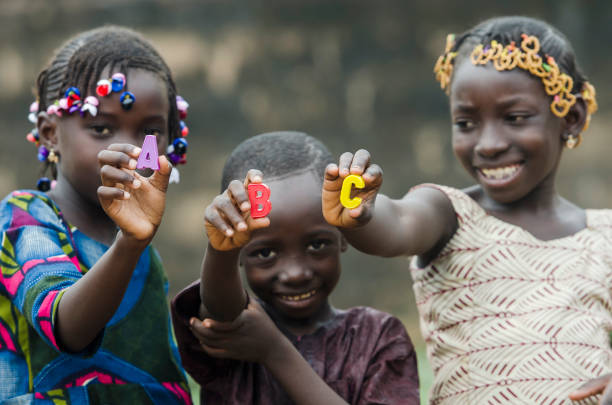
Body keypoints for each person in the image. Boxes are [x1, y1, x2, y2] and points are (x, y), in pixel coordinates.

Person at [321, 16, 610, 404]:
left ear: (571, 119)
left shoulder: (602, 236)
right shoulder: (448, 214)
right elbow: (397, 225)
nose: (488, 144)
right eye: (466, 122)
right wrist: (361, 213)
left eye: (515, 118)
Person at [0, 26, 191, 404]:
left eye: (151, 132)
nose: (131, 149)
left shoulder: (141, 249)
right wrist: (130, 243)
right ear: (50, 133)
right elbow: (67, 329)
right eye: (101, 128)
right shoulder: (24, 219)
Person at [171, 131, 420, 404]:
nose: (296, 273)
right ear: (239, 253)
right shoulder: (237, 333)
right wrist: (221, 249)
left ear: (343, 235)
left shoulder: (378, 338)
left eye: (316, 245)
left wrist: (274, 351)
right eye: (265, 252)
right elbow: (220, 309)